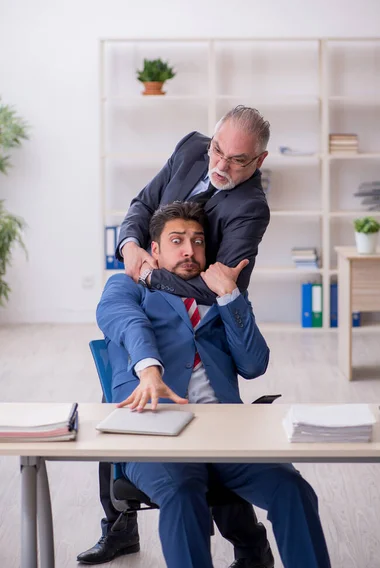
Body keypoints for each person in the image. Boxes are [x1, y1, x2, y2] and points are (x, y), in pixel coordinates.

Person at [78, 106, 274, 567]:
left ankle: (249, 543)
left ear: (259, 162)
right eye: (218, 151)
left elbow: (216, 284)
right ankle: (120, 526)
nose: (221, 166)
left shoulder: (250, 209)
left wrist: (154, 272)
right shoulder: (191, 148)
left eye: (237, 161)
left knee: (209, 416)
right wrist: (131, 248)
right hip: (148, 276)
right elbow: (141, 207)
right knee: (122, 393)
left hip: (193, 303)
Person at [95, 201, 331, 568]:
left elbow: (254, 365)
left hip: (225, 431)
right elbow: (125, 322)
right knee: (182, 492)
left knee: (292, 489)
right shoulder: (128, 286)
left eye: (198, 240)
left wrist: (230, 297)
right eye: (177, 240)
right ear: (154, 249)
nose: (190, 250)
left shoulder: (220, 293)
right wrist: (149, 368)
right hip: (154, 429)